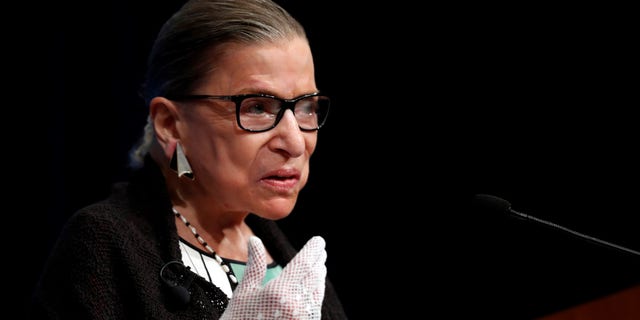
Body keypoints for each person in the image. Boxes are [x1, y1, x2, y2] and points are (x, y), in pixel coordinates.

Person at [29, 0, 348, 318]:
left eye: (307, 106)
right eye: (256, 107)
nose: (295, 143)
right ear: (170, 124)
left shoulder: (290, 258)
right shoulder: (104, 246)